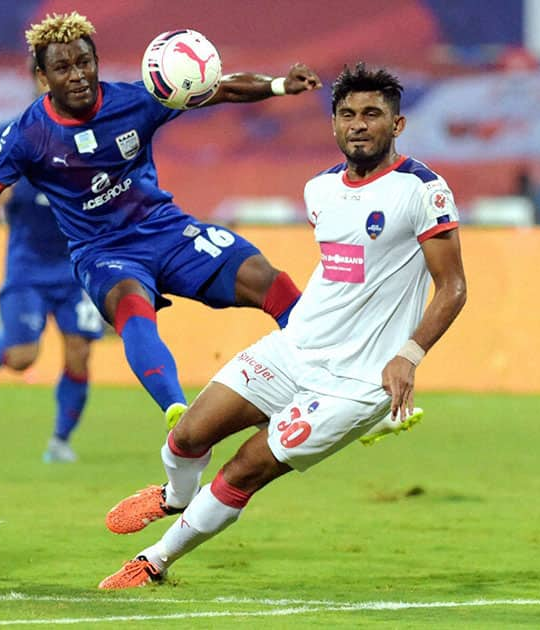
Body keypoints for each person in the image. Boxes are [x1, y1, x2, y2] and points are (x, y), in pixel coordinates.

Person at [97, 62, 467, 589]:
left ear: (398, 125)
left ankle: (154, 561)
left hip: (357, 382)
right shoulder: (320, 189)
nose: (359, 124)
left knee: (245, 468)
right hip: (295, 349)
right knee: (188, 434)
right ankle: (174, 496)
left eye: (372, 114)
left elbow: (452, 287)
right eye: (347, 114)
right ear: (334, 124)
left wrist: (409, 354)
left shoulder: (421, 191)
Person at [0, 12, 320, 432]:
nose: (77, 75)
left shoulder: (135, 102)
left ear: (96, 62)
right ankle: (180, 414)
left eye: (84, 63)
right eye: (62, 67)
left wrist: (278, 85)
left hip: (165, 229)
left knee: (266, 277)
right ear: (42, 78)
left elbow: (218, 89)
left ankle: (325, 379)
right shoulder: (26, 134)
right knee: (131, 304)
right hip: (102, 253)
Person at [0, 58, 105, 463]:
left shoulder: (95, 134)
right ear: (39, 81)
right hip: (28, 267)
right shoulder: (14, 133)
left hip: (76, 265)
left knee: (80, 351)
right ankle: (0, 338)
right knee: (20, 360)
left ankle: (60, 441)